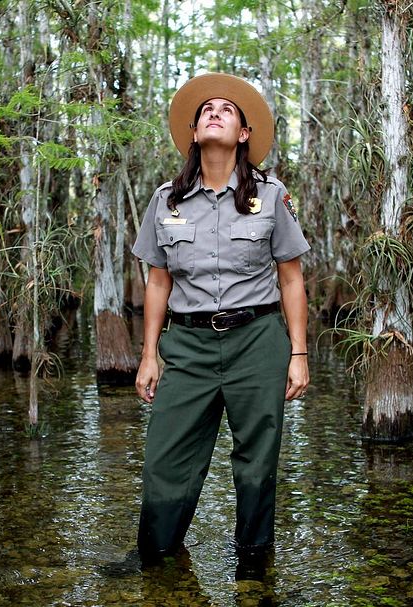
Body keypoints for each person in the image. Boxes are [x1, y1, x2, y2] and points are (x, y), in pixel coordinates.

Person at [131, 72, 310, 564]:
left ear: (244, 134)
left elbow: (291, 278)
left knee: (256, 464)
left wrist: (298, 353)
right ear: (193, 133)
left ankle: (254, 565)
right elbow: (158, 280)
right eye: (206, 110)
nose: (215, 113)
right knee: (165, 460)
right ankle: (157, 554)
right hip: (187, 347)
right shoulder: (165, 200)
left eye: (227, 110)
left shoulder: (271, 196)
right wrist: (149, 355)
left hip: (257, 340)